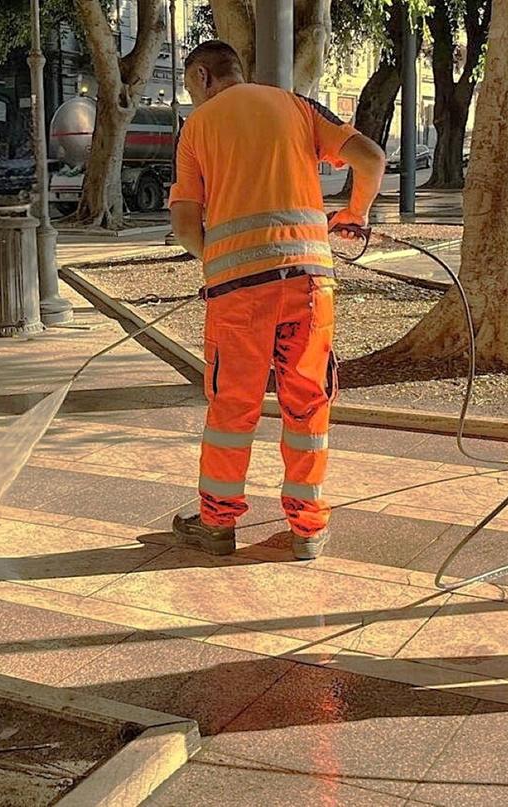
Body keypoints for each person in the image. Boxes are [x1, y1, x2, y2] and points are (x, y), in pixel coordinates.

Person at [168, 40, 385, 560]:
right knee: (308, 403)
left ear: (202, 76)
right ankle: (308, 528)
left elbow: (183, 222)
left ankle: (217, 524)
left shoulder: (198, 127)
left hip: (238, 296)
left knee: (232, 408)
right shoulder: (297, 106)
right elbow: (371, 158)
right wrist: (355, 214)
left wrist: (216, 256)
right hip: (309, 284)